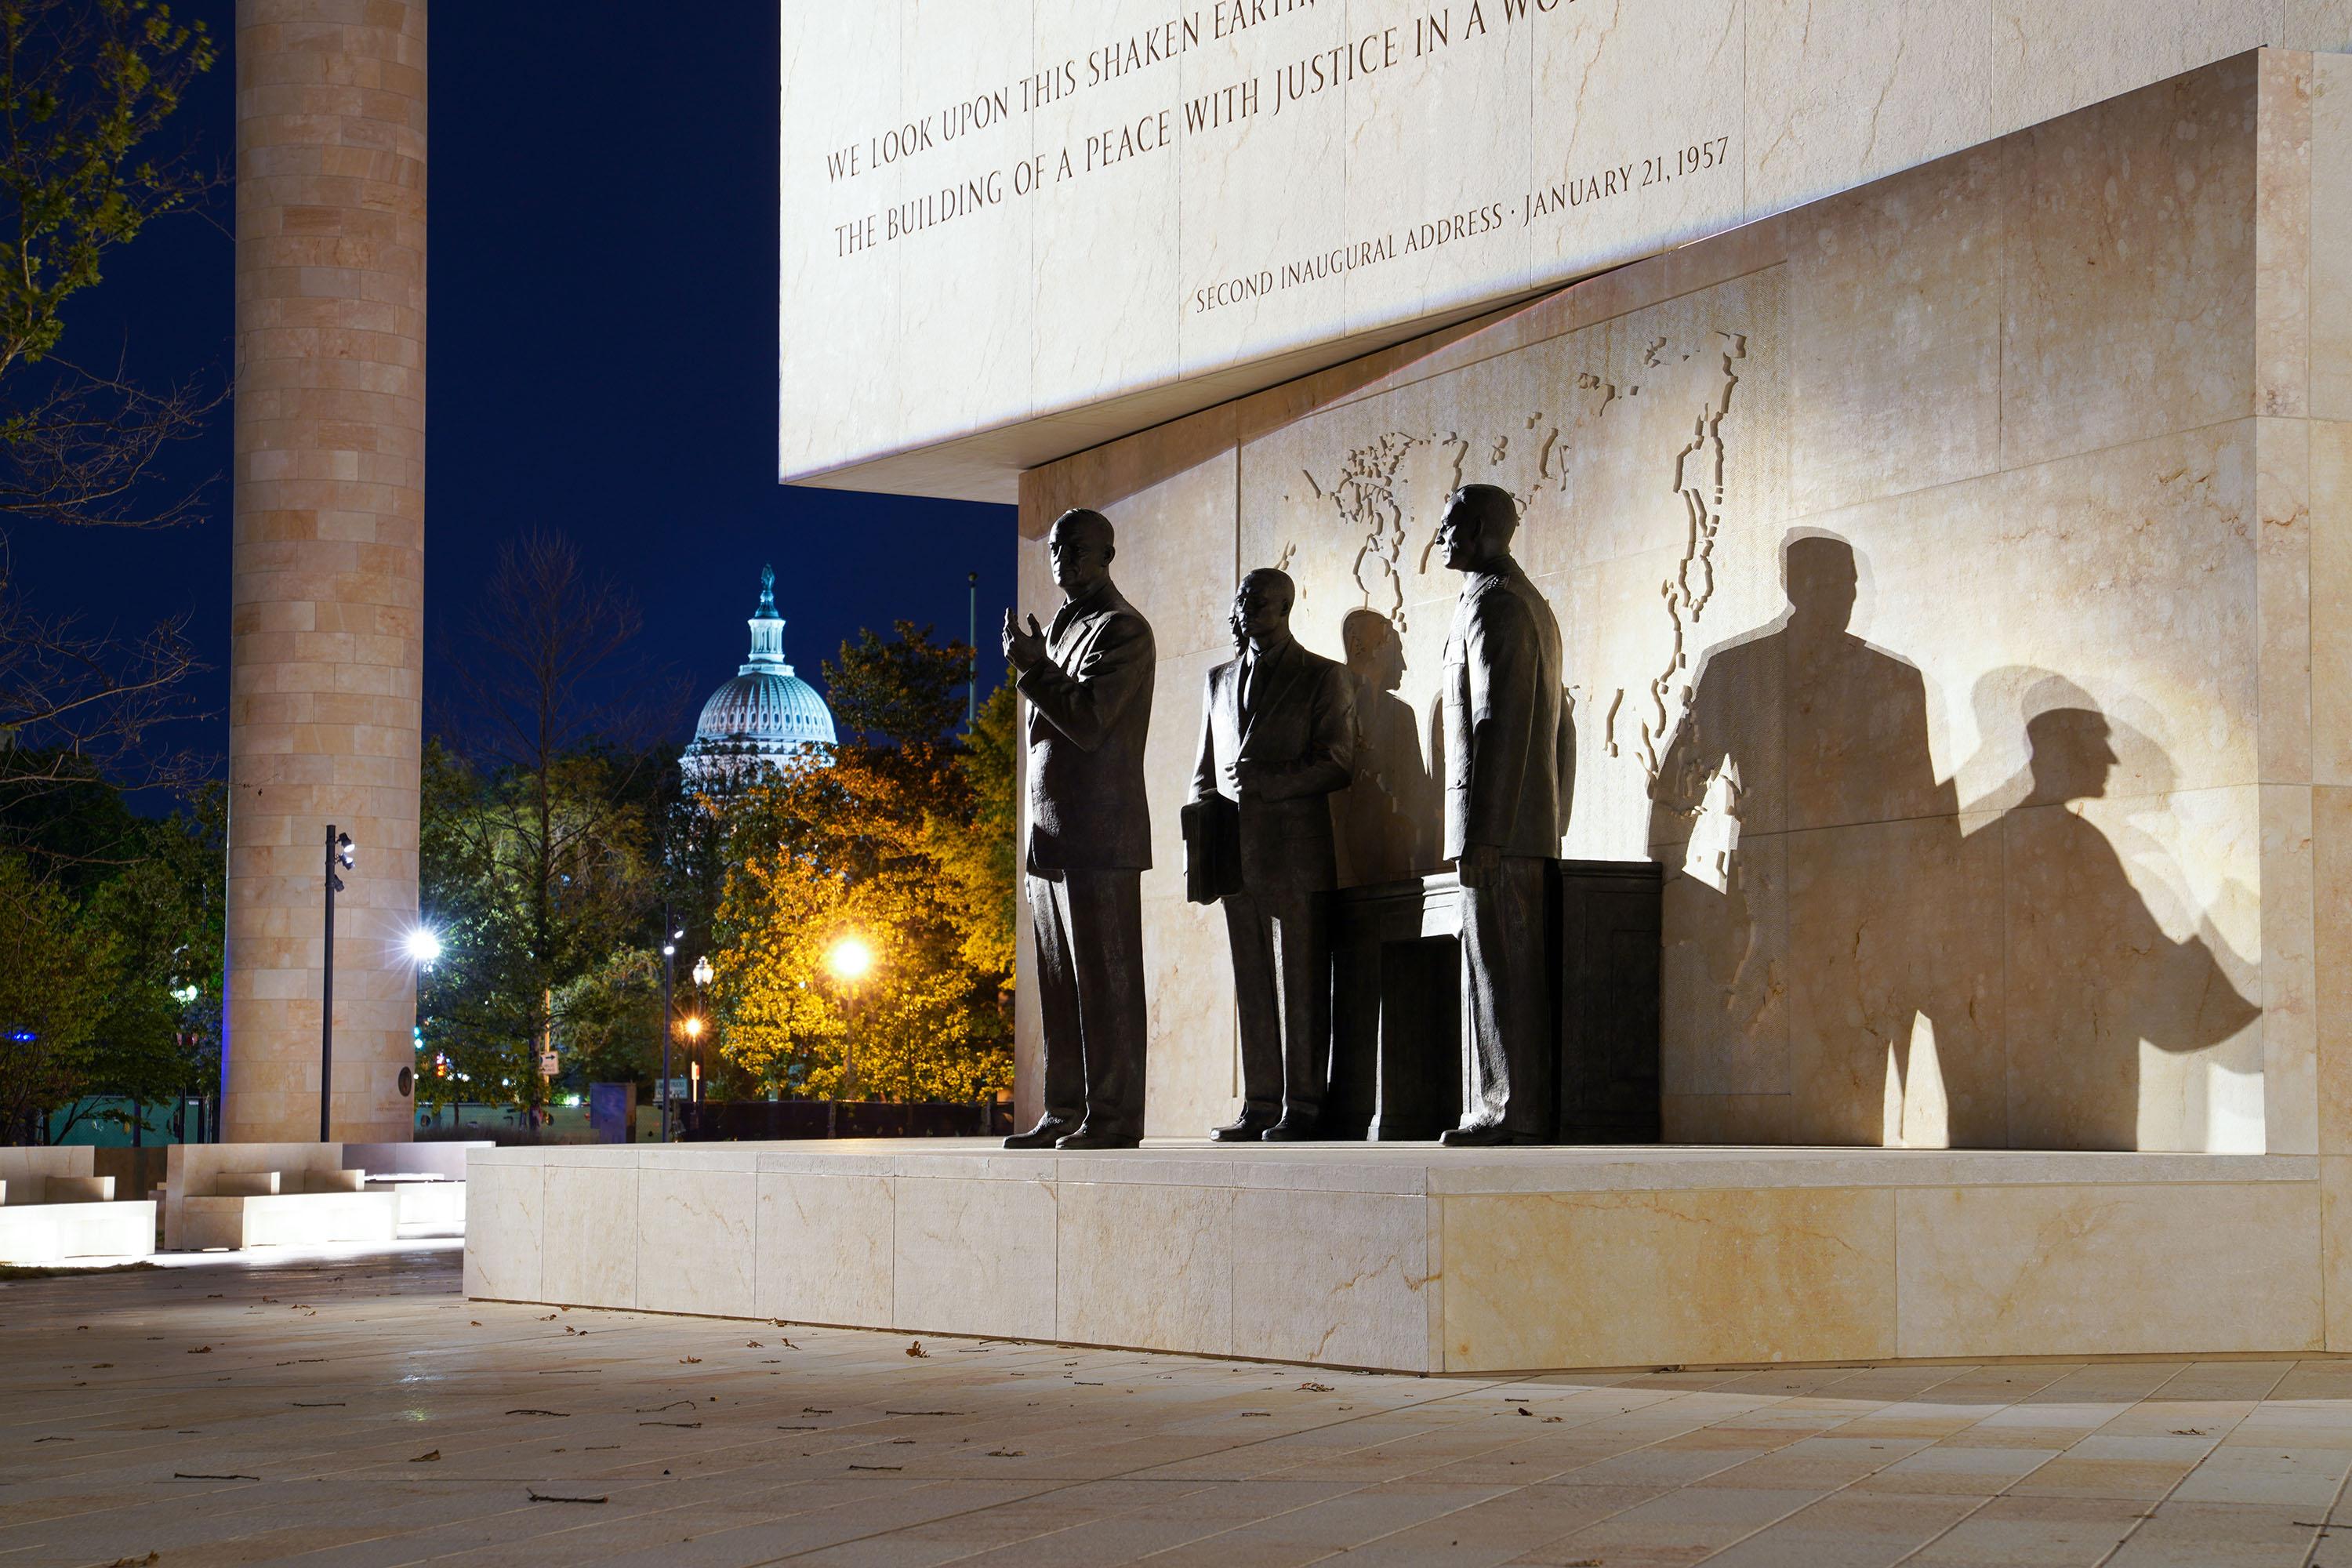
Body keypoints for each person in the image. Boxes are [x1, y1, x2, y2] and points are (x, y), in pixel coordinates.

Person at [1001, 508, 1156, 1150]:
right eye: (1056, 548)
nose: (1060, 557)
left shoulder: (1124, 630)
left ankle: (1114, 1116)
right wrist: (1038, 663)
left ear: (1107, 554)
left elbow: (1091, 722)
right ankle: (1065, 1110)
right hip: (1052, 835)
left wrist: (1034, 669)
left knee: (1107, 981)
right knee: (1060, 987)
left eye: (1074, 548)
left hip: (1100, 834)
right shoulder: (1066, 629)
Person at [1189, 568, 1355, 1140]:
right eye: (1242, 599)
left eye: (1259, 601)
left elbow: (1338, 762)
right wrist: (1201, 830)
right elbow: (1203, 773)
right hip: (1234, 856)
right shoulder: (1216, 681)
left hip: (1296, 853)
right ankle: (1260, 1102)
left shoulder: (1323, 677)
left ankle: (1305, 1104)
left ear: (1285, 608)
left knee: (1303, 985)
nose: (1247, 608)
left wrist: (1269, 780)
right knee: (1252, 983)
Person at [1435, 485, 1571, 1146]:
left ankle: (1506, 1108)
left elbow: (1500, 724)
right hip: (1522, 828)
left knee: (1501, 969)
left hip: (1501, 830)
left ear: (1486, 528)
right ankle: (1510, 1107)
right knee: (1504, 968)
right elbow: (1563, 730)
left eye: (1452, 524)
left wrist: (1486, 833)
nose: (1441, 536)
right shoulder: (1525, 605)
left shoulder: (1498, 605)